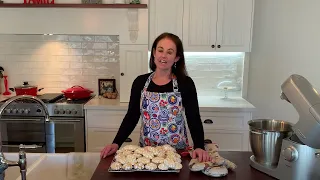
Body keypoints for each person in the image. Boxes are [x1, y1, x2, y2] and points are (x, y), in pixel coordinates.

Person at [100, 32, 210, 162]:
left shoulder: (185, 83)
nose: (164, 55)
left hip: (177, 152)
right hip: (147, 153)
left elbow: (193, 117)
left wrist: (199, 146)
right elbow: (132, 116)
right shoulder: (140, 82)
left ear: (176, 57)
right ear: (154, 53)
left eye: (170, 52)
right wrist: (116, 143)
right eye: (160, 50)